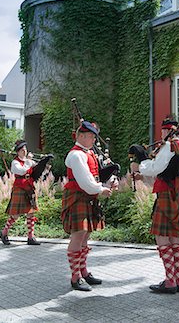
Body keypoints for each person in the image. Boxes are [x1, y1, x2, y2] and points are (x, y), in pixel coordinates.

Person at [129, 117, 179, 294]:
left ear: (167, 131)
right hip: (174, 192)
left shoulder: (169, 146)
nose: (162, 134)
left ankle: (170, 281)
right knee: (173, 237)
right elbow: (164, 173)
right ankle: (177, 280)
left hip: (167, 196)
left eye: (163, 131)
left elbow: (156, 167)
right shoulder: (176, 145)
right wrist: (144, 175)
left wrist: (141, 163)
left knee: (162, 237)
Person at [62, 120, 117, 292]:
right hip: (79, 196)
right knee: (78, 236)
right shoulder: (76, 155)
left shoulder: (89, 152)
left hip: (88, 197)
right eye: (92, 136)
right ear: (81, 136)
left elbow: (96, 174)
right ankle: (74, 277)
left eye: (94, 136)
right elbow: (86, 181)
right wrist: (101, 189)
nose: (94, 140)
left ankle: (84, 272)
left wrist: (110, 180)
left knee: (86, 236)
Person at [0, 140, 41, 246]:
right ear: (17, 152)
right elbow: (22, 171)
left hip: (29, 187)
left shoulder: (28, 161)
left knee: (31, 213)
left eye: (25, 149)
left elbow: (36, 170)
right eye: (22, 150)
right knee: (16, 215)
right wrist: (29, 161)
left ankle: (31, 237)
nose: (24, 151)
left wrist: (43, 164)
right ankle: (4, 233)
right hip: (19, 188)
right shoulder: (15, 163)